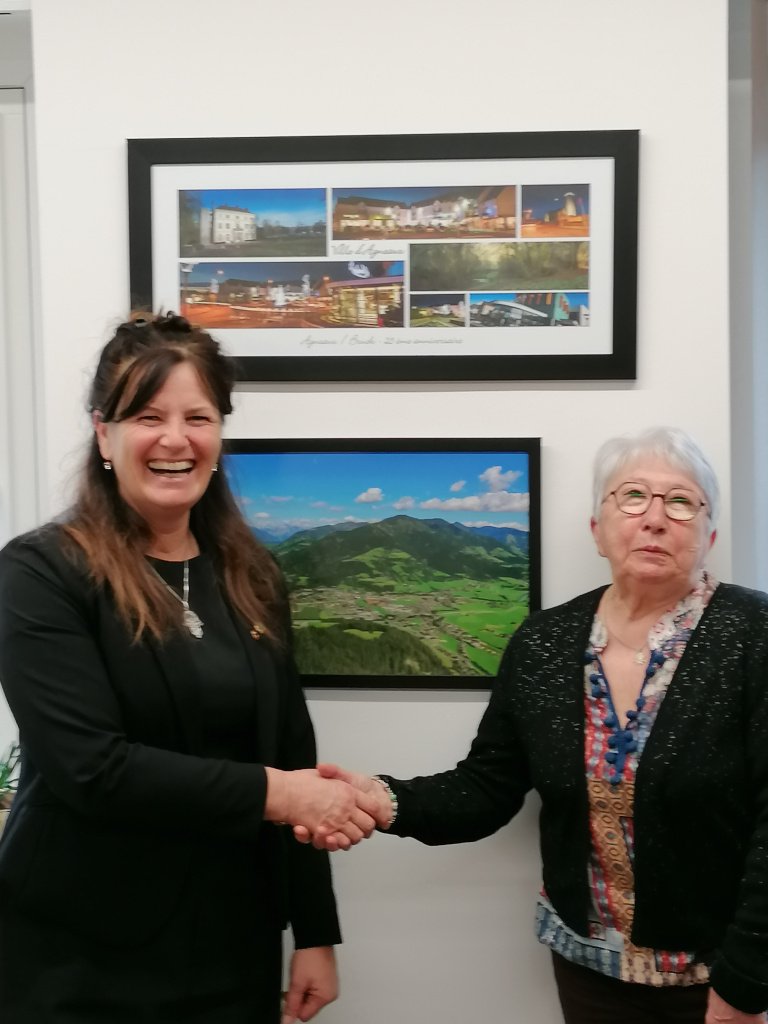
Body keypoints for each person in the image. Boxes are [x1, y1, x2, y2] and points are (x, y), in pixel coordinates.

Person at [306, 427, 768, 1024]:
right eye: (632, 496)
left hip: (716, 977)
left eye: (681, 501)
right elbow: (487, 787)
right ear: (597, 530)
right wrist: (383, 798)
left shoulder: (754, 636)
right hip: (586, 968)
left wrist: (745, 985)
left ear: (709, 535)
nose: (654, 518)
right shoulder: (544, 643)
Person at [0, 313, 378, 1024]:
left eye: (197, 417)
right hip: (80, 948)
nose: (176, 439)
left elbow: (292, 753)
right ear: (104, 434)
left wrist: (315, 932)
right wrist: (278, 795)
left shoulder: (252, 573)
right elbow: (91, 768)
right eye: (148, 415)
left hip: (234, 940)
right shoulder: (42, 570)